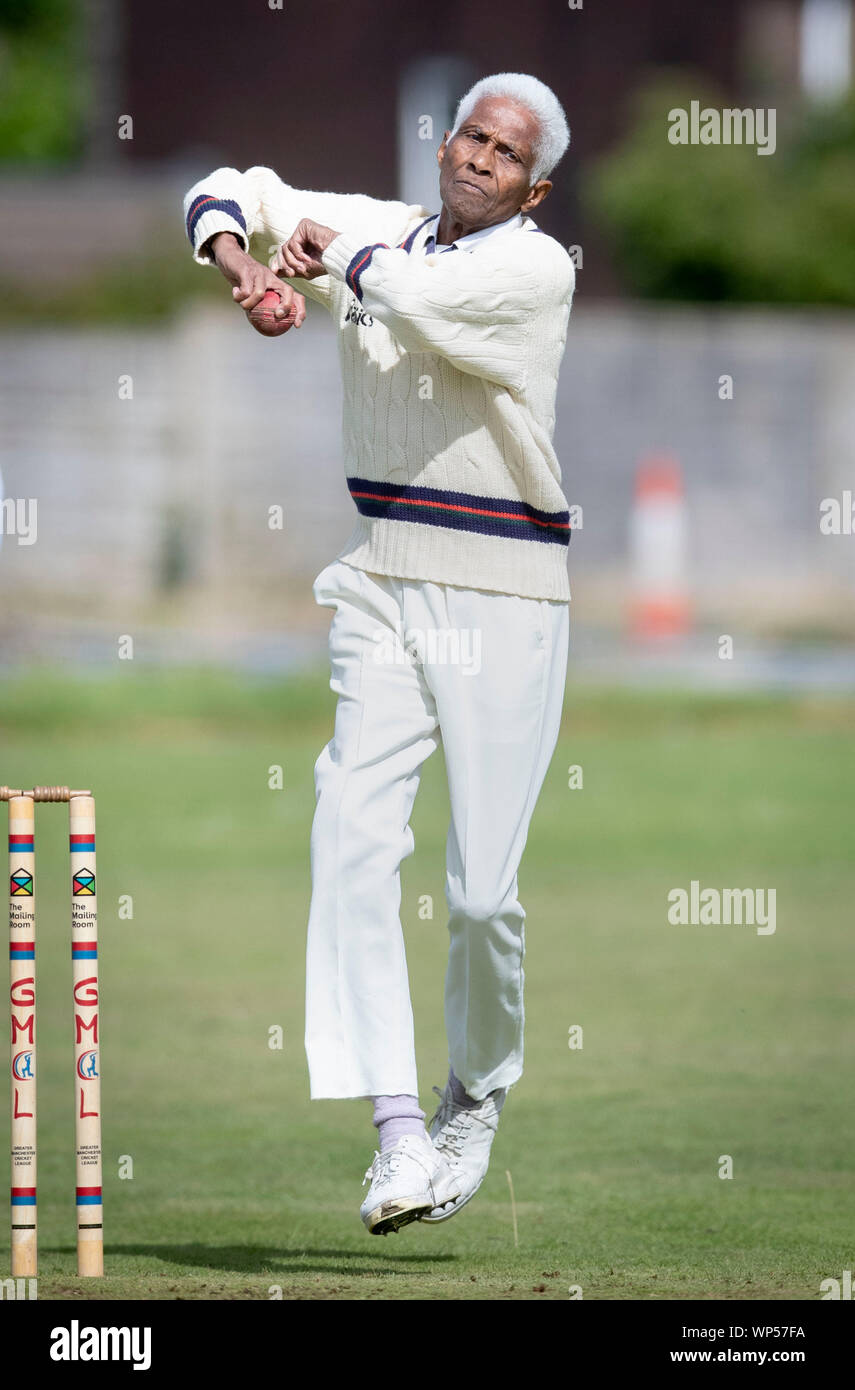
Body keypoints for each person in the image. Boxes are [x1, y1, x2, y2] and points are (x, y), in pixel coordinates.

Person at [183, 71, 574, 1235]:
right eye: (468, 133)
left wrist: (330, 252)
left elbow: (421, 300)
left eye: (504, 154)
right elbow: (223, 184)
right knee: (349, 827)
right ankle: (399, 1130)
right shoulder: (375, 224)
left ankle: (475, 1094)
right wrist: (243, 265)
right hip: (384, 575)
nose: (475, 158)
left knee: (481, 895)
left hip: (506, 586)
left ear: (533, 185)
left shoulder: (537, 268)